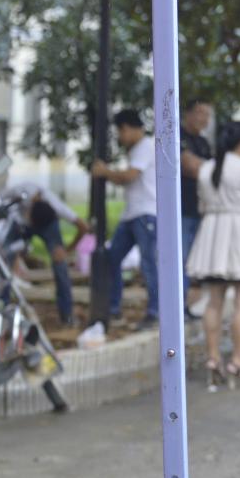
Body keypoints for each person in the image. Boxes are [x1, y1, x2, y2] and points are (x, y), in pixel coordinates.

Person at [186, 121, 240, 388]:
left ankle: (213, 359)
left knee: (214, 300)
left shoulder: (206, 168)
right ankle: (238, 362)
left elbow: (202, 205)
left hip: (213, 235)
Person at [91, 109, 159, 331]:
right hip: (133, 214)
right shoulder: (137, 149)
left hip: (145, 213)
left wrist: (105, 172)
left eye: (120, 132)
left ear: (127, 128)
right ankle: (113, 307)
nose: (120, 138)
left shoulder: (145, 146)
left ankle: (155, 312)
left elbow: (129, 176)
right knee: (112, 259)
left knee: (149, 264)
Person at [0, 181, 90, 326]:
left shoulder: (56, 207)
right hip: (19, 224)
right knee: (4, 258)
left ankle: (66, 314)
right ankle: (1, 307)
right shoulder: (18, 192)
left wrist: (67, 250)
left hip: (48, 226)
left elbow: (83, 227)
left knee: (60, 264)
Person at [179, 100, 213, 315]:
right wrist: (207, 167)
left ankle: (186, 306)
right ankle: (177, 307)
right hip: (180, 211)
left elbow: (210, 171)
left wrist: (203, 167)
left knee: (193, 262)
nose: (205, 119)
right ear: (188, 114)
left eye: (208, 115)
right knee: (179, 260)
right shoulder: (177, 136)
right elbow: (190, 167)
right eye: (201, 113)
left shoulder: (203, 143)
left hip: (199, 211)